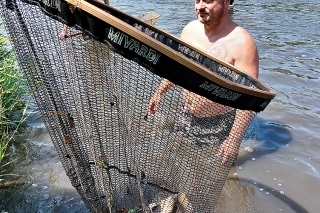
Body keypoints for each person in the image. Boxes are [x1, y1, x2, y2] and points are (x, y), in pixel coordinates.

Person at [147, 0, 259, 165]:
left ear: (227, 2)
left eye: (207, 0)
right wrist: (160, 92)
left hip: (219, 125)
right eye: (197, 0)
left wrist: (233, 140)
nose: (199, 6)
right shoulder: (190, 30)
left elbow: (248, 100)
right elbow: (180, 69)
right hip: (186, 114)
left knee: (216, 171)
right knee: (173, 159)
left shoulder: (243, 43)